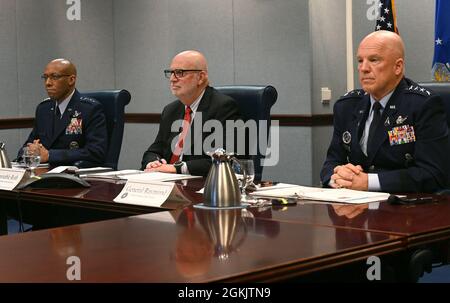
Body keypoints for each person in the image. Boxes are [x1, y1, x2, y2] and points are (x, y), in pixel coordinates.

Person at [321, 30, 449, 193]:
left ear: (398, 67)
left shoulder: (422, 105)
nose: (364, 68)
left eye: (374, 60)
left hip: (405, 210)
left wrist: (369, 182)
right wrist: (337, 177)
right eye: (360, 61)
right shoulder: (347, 106)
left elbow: (433, 174)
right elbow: (331, 162)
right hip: (353, 207)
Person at [141, 50, 242, 176]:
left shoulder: (223, 107)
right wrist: (153, 163)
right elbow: (153, 151)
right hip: (165, 183)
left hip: (199, 186)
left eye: (179, 73)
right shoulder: (170, 110)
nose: (172, 79)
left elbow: (225, 158)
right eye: (171, 73)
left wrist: (177, 168)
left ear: (200, 77)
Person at [18, 58, 107, 167]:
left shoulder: (89, 109)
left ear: (71, 80)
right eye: (45, 77)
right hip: (43, 173)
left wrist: (50, 155)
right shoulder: (43, 109)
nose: (48, 83)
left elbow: (96, 152)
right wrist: (30, 152)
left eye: (54, 77)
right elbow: (26, 147)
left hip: (72, 176)